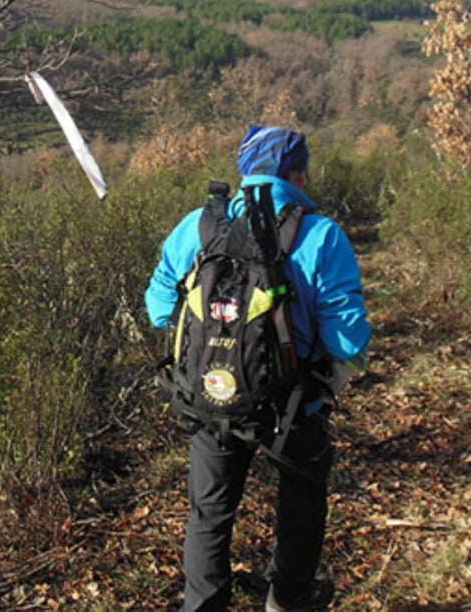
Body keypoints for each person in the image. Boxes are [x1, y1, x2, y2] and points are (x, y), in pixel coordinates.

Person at [144, 125, 371, 612]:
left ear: (244, 172)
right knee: (301, 500)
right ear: (298, 173)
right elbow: (349, 339)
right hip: (294, 405)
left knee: (209, 515)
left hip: (212, 401)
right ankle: (287, 600)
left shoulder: (201, 226)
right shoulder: (321, 234)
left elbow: (159, 309)